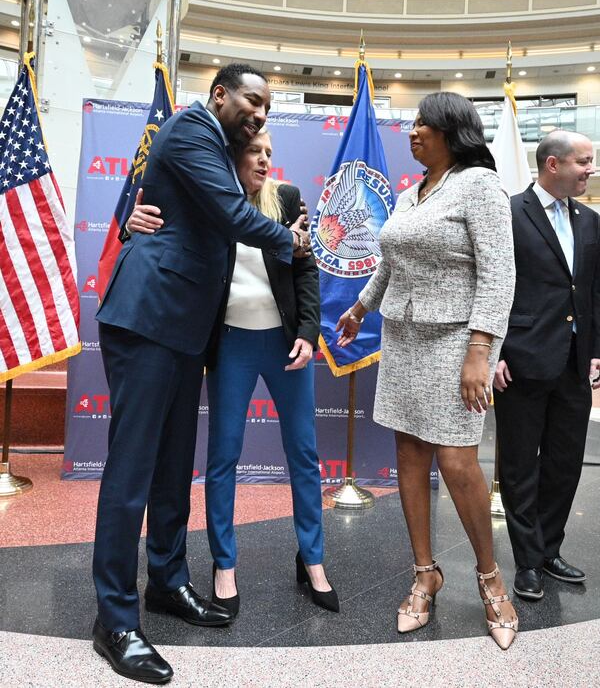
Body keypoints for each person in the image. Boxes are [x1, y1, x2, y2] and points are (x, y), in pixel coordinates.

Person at [92, 64, 310, 684]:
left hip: (186, 327)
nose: (260, 112)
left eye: (269, 105)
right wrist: (287, 242)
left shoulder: (220, 144)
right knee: (132, 471)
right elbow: (230, 215)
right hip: (150, 315)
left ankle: (166, 582)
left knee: (171, 469)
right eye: (252, 99)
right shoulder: (192, 129)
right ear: (219, 94)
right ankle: (115, 619)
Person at [127, 128, 339, 616]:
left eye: (270, 153)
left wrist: (309, 329)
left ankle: (313, 561)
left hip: (286, 344)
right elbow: (159, 230)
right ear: (233, 155)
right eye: (255, 152)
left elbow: (306, 268)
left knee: (304, 455)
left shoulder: (285, 198)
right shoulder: (209, 199)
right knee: (223, 458)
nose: (264, 160)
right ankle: (225, 565)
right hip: (229, 346)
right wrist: (128, 225)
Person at [336, 91, 518, 650]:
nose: (412, 132)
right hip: (403, 339)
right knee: (409, 455)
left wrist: (480, 350)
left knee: (458, 461)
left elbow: (499, 274)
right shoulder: (412, 192)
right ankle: (425, 574)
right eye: (412, 123)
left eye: (423, 124)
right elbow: (393, 263)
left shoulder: (480, 186)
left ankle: (490, 582)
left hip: (456, 343)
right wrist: (361, 306)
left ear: (451, 131)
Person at [493, 130, 600, 602]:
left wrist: (597, 348)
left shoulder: (591, 220)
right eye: (583, 161)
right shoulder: (508, 213)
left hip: (575, 365)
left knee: (564, 465)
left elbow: (593, 292)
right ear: (552, 164)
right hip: (520, 361)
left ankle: (549, 548)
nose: (590, 170)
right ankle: (528, 561)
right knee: (519, 467)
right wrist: (491, 352)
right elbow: (491, 287)